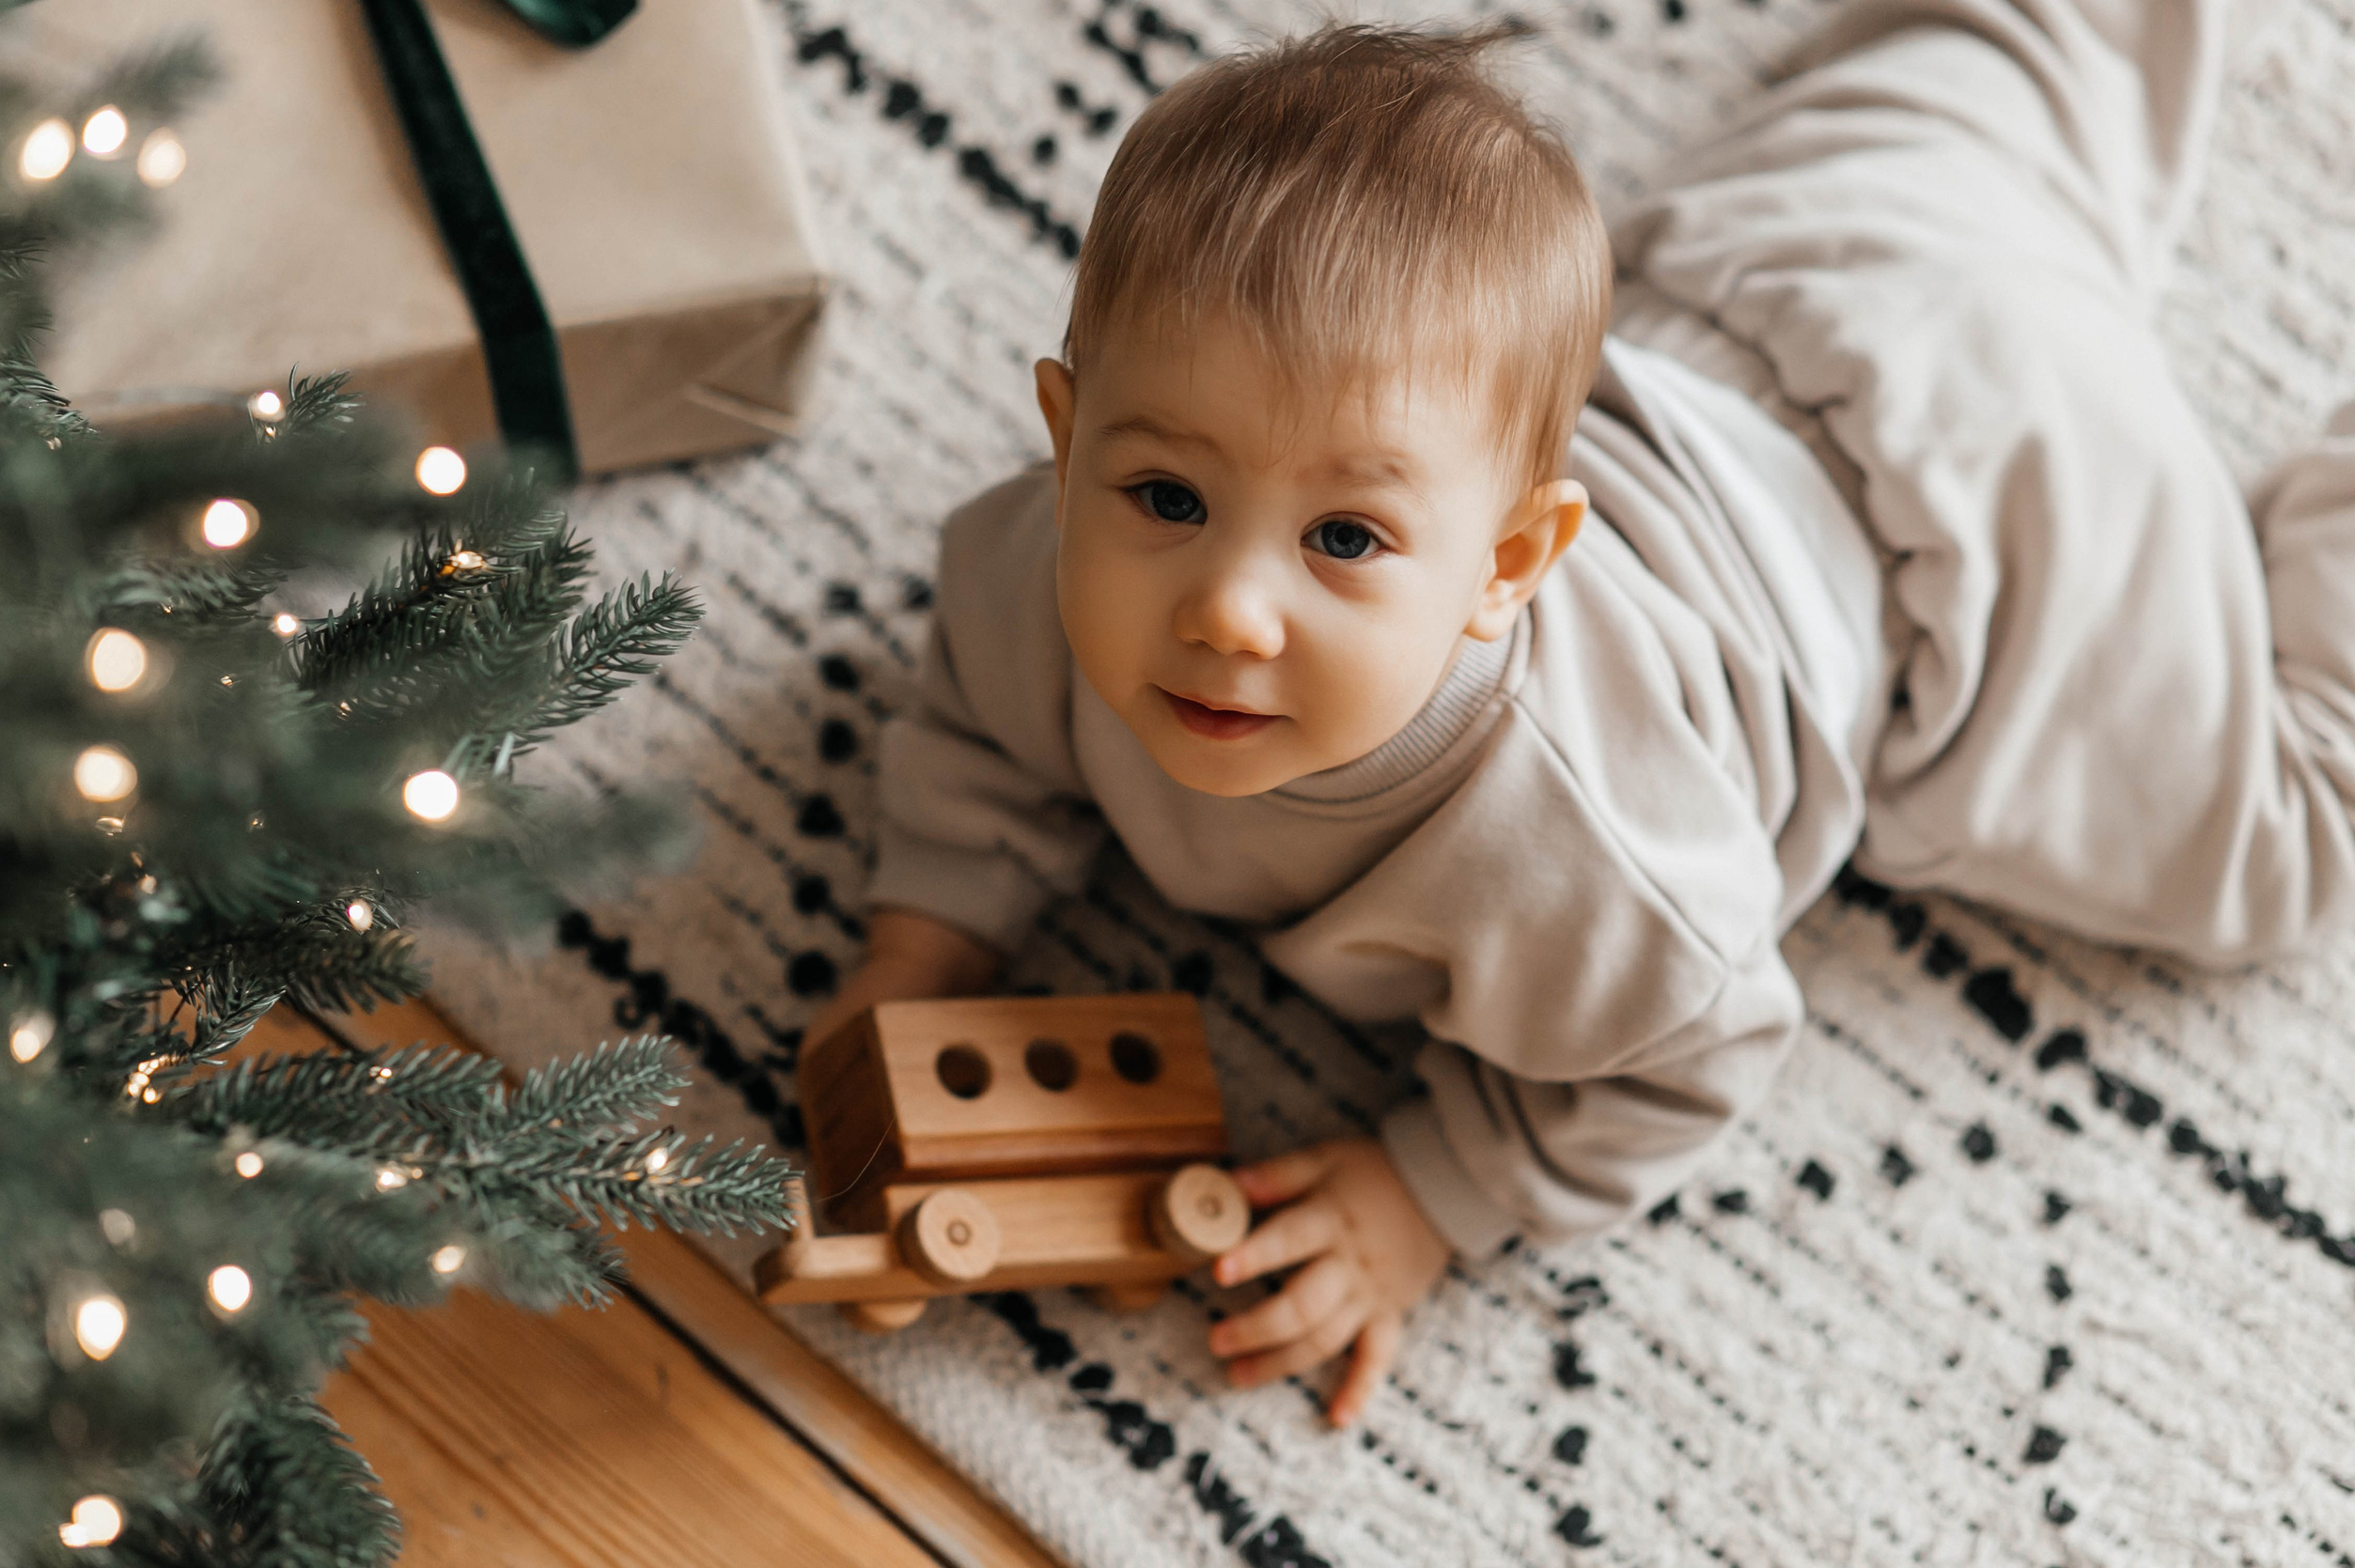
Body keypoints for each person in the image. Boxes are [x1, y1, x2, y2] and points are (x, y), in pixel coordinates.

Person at [801, 0, 2355, 1426]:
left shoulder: (1589, 860)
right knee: (2020, 50)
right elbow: (980, 736)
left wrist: (1434, 1189)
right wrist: (922, 947)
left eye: (1344, 538)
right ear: (1064, 443)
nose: (1228, 610)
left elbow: (1703, 1047)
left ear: (1512, 566)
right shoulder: (1032, 567)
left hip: (2001, 558)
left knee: (2296, 836)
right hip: (1809, 268)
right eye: (1164, 494)